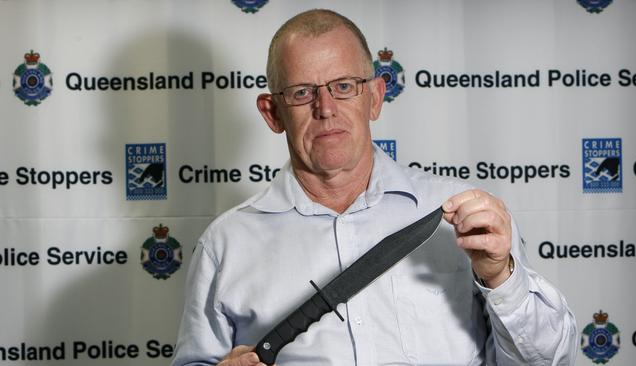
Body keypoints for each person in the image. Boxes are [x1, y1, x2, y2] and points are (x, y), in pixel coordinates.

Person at [171, 9, 577, 366]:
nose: (325, 108)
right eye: (301, 93)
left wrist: (501, 278)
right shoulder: (225, 244)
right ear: (272, 113)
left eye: (344, 86)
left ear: (376, 97)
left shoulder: (462, 218)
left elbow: (549, 362)